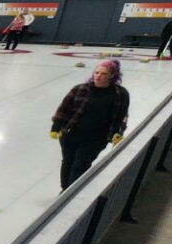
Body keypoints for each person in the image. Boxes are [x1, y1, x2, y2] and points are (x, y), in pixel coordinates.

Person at [51, 60, 130, 190]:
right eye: (96, 72)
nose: (98, 76)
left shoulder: (120, 94)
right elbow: (64, 109)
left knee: (80, 165)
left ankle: (71, 193)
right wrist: (56, 127)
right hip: (71, 134)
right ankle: (65, 190)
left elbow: (121, 117)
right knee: (67, 162)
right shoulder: (80, 89)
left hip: (96, 138)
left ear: (112, 76)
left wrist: (117, 133)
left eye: (103, 74)